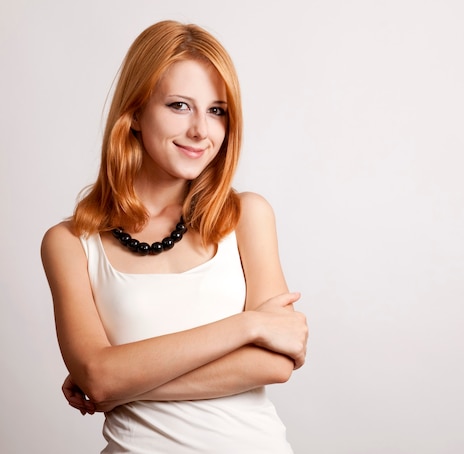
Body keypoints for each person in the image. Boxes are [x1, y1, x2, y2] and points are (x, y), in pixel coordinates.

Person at [40, 20, 308, 453]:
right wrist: (249, 325)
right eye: (180, 105)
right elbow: (99, 375)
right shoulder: (70, 243)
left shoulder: (247, 217)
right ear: (134, 114)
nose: (202, 130)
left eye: (217, 110)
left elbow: (276, 362)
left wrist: (122, 382)